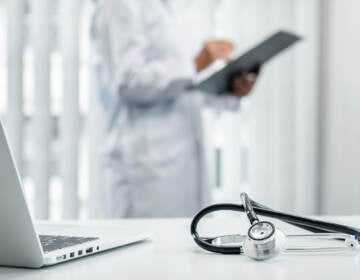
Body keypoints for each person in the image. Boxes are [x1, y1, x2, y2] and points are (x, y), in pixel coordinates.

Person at [92, 0, 258, 218]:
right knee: (149, 246)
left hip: (183, 160)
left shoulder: (177, 8)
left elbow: (183, 87)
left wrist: (230, 91)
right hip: (144, 165)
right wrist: (196, 63)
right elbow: (128, 82)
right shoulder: (120, 5)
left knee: (188, 243)